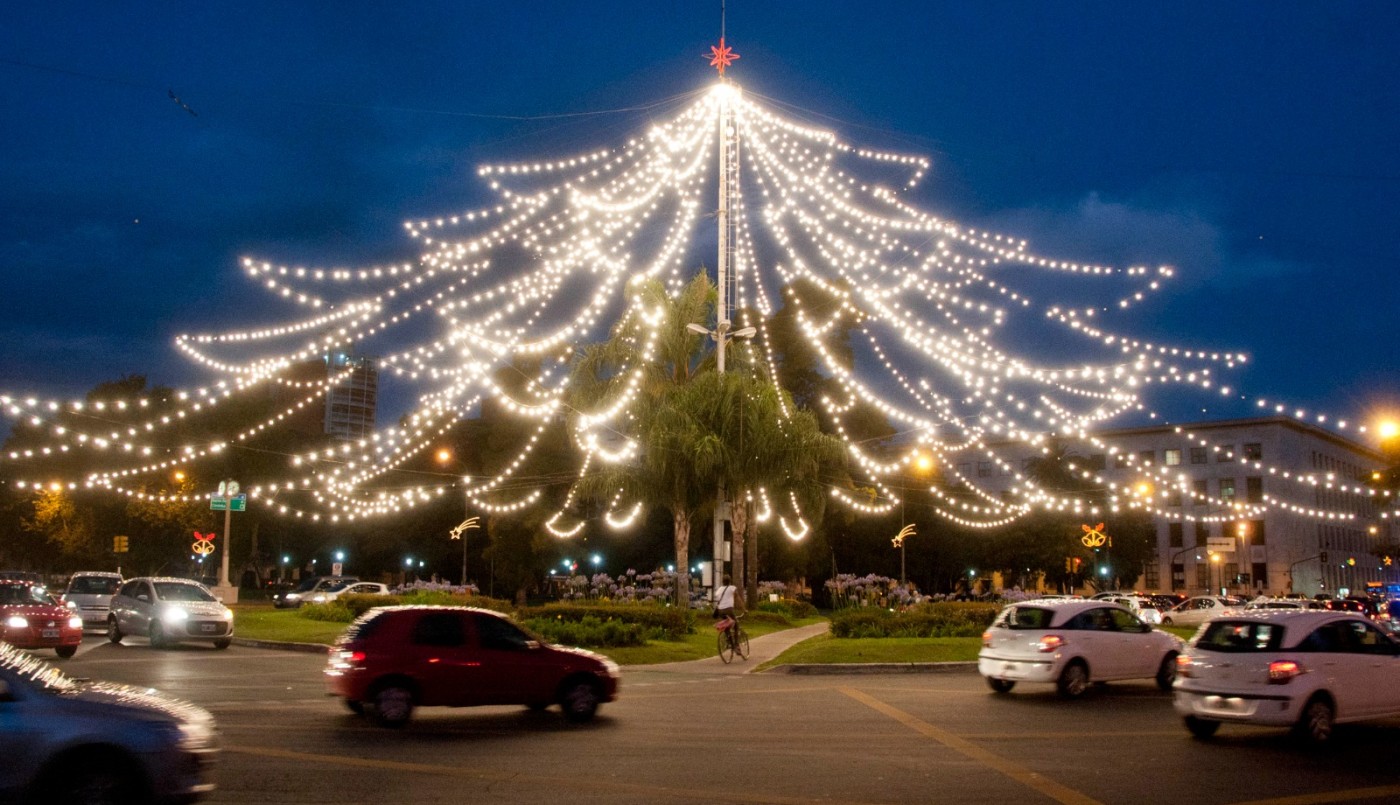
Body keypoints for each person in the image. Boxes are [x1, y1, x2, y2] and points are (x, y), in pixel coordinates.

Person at [715, 575, 742, 644]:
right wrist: (744, 609)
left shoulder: (719, 589)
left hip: (720, 611)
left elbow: (717, 598)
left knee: (726, 625)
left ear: (722, 582)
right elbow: (738, 599)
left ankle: (729, 641)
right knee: (736, 625)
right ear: (730, 581)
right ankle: (736, 645)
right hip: (729, 610)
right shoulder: (732, 588)